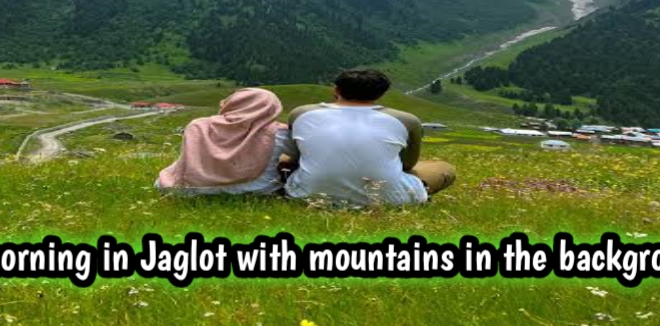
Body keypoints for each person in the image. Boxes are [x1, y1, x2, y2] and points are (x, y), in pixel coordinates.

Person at [285, 69, 456, 206]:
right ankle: (417, 192)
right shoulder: (406, 120)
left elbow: (296, 156)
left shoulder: (301, 113)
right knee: (443, 168)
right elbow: (408, 164)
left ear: (336, 90)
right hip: (387, 199)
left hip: (305, 194)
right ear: (381, 94)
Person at [156, 88, 297, 196]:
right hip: (257, 189)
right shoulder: (279, 133)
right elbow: (296, 156)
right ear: (272, 109)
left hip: (192, 189)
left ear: (233, 103)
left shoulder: (198, 125)